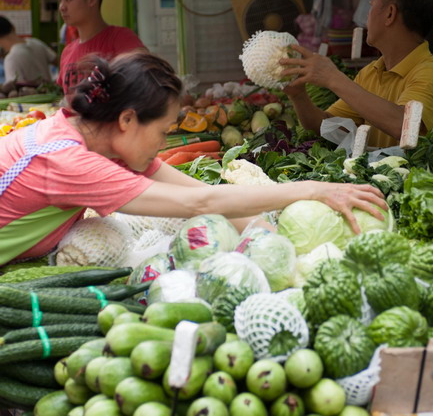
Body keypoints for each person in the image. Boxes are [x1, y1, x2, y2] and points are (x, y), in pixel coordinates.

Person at [0, 52, 385, 266]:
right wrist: (314, 190)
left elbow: (200, 193)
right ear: (128, 119)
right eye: (164, 130)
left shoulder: (95, 136)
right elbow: (199, 204)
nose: (165, 141)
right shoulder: (73, 162)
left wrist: (283, 247)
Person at [280, 0, 433, 148]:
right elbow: (326, 125)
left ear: (390, 14)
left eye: (371, 5)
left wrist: (332, 78)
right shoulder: (371, 73)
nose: (366, 17)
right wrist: (299, 96)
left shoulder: (432, 73)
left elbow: (405, 126)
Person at [56, 0, 146, 96]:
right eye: (60, 0)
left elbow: (149, 80)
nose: (62, 7)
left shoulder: (122, 40)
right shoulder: (67, 52)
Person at [0, 15, 57, 83]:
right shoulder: (36, 42)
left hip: (32, 93)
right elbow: (58, 61)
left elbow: (14, 89)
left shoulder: (11, 59)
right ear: (13, 27)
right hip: (51, 92)